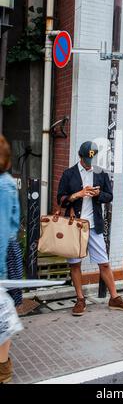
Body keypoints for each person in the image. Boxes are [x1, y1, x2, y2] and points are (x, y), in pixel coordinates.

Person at [57, 141, 123, 316]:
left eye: (91, 159)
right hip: (75, 227)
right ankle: (80, 299)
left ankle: (114, 297)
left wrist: (98, 194)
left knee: (104, 263)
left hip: (94, 226)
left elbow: (109, 196)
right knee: (75, 264)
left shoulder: (101, 174)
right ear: (80, 156)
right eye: (86, 159)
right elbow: (60, 199)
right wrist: (77, 195)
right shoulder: (69, 174)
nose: (88, 163)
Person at [0, 135, 21, 383]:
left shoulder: (3, 186)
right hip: (7, 250)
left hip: (2, 254)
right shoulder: (6, 183)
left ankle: (3, 369)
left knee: (1, 314)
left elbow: (3, 230)